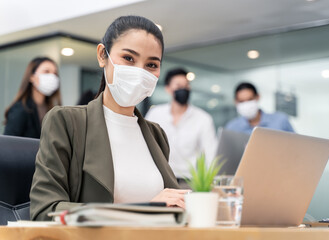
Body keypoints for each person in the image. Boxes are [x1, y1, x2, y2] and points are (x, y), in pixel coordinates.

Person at [30, 15, 188, 221]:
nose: (140, 72)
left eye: (151, 65)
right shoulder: (66, 122)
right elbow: (45, 211)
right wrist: (146, 209)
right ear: (102, 55)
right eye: (129, 58)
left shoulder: (156, 134)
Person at [145, 68, 218, 185]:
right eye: (178, 86)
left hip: (190, 182)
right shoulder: (155, 114)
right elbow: (146, 146)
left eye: (186, 86)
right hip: (159, 181)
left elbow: (210, 155)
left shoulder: (203, 118)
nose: (183, 89)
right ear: (168, 89)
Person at [3, 57, 61, 138]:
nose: (52, 76)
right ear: (32, 77)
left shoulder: (52, 110)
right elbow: (8, 144)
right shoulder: (20, 109)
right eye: (46, 71)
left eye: (55, 73)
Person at [225, 82, 294, 134]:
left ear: (257, 97)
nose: (246, 104)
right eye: (241, 101)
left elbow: (296, 147)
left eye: (250, 99)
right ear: (236, 102)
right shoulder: (232, 128)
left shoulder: (280, 121)